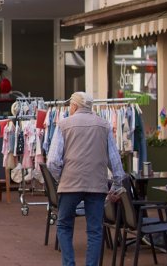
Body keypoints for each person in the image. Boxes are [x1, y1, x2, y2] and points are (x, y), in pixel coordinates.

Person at [47, 92, 125, 266]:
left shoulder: (63, 124)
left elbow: (52, 161)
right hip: (96, 184)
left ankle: (69, 263)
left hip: (70, 184)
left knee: (64, 225)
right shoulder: (104, 125)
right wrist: (117, 184)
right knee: (95, 230)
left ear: (74, 106)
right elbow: (115, 160)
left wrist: (63, 177)